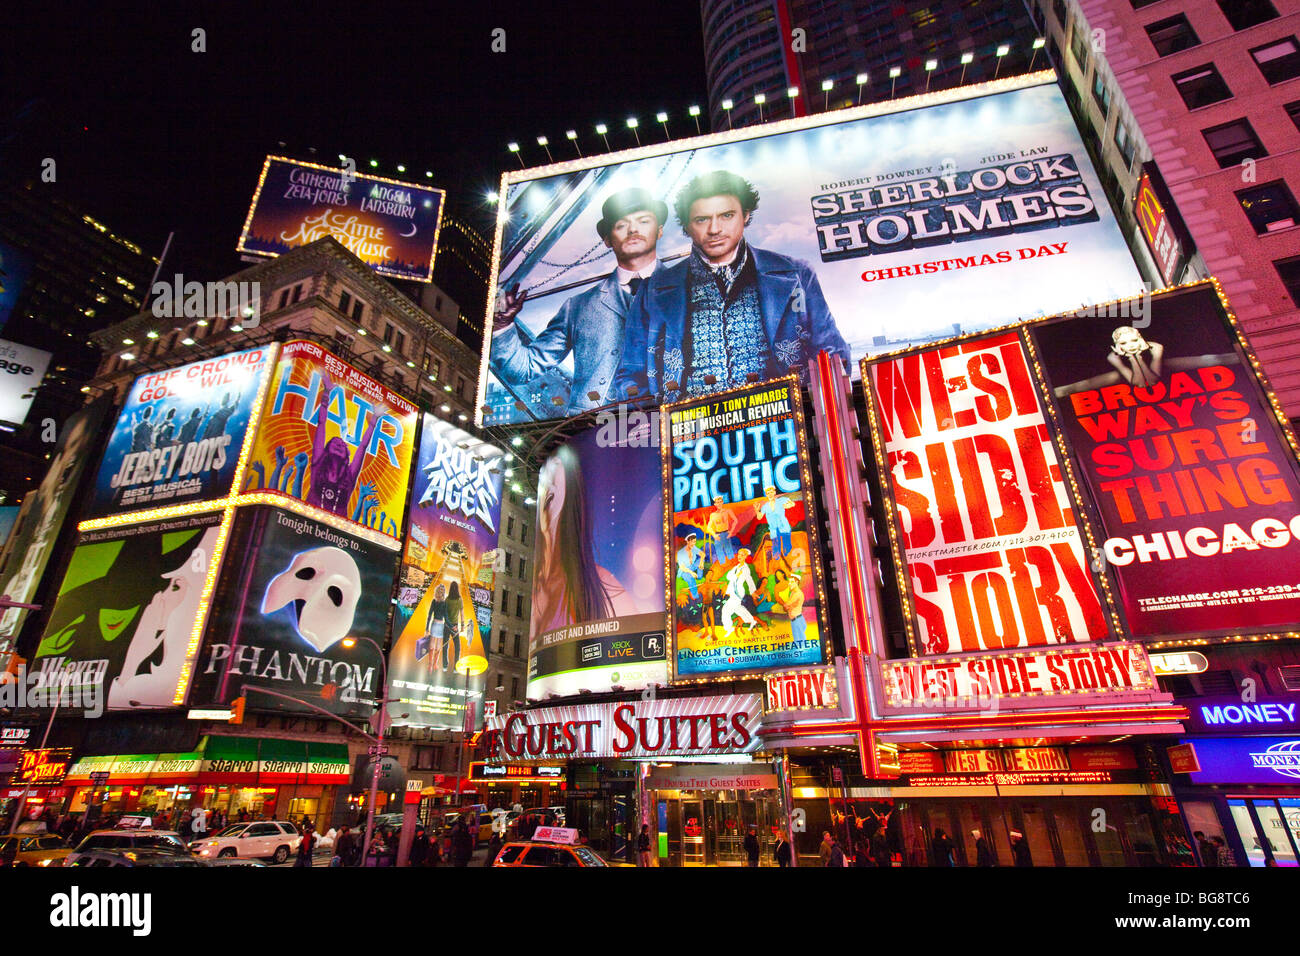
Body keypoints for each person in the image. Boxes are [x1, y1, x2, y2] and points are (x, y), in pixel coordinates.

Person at [612, 170, 850, 401]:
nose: (714, 229)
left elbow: (833, 355)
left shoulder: (796, 274)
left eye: (726, 215)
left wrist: (809, 414)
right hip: (692, 433)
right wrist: (662, 432)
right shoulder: (652, 290)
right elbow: (631, 377)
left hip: (784, 426)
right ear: (686, 225)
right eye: (702, 219)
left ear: (745, 215)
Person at [491, 187, 669, 416]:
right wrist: (502, 326)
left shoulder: (690, 291)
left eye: (643, 221)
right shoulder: (578, 307)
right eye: (621, 225)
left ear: (660, 230)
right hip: (593, 432)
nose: (633, 229)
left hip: (671, 427)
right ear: (607, 239)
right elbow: (523, 370)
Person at [530, 445, 637, 637]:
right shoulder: (535, 589)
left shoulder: (603, 588)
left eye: (555, 481)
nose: (550, 483)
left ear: (569, 500)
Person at [705, 496, 739, 566]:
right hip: (718, 535)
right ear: (715, 504)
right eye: (717, 502)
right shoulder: (713, 515)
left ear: (722, 502)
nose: (719, 504)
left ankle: (732, 565)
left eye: (720, 502)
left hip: (726, 533)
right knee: (719, 551)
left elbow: (735, 520)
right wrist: (714, 535)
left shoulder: (728, 510)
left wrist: (731, 531)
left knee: (729, 549)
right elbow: (708, 527)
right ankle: (722, 567)